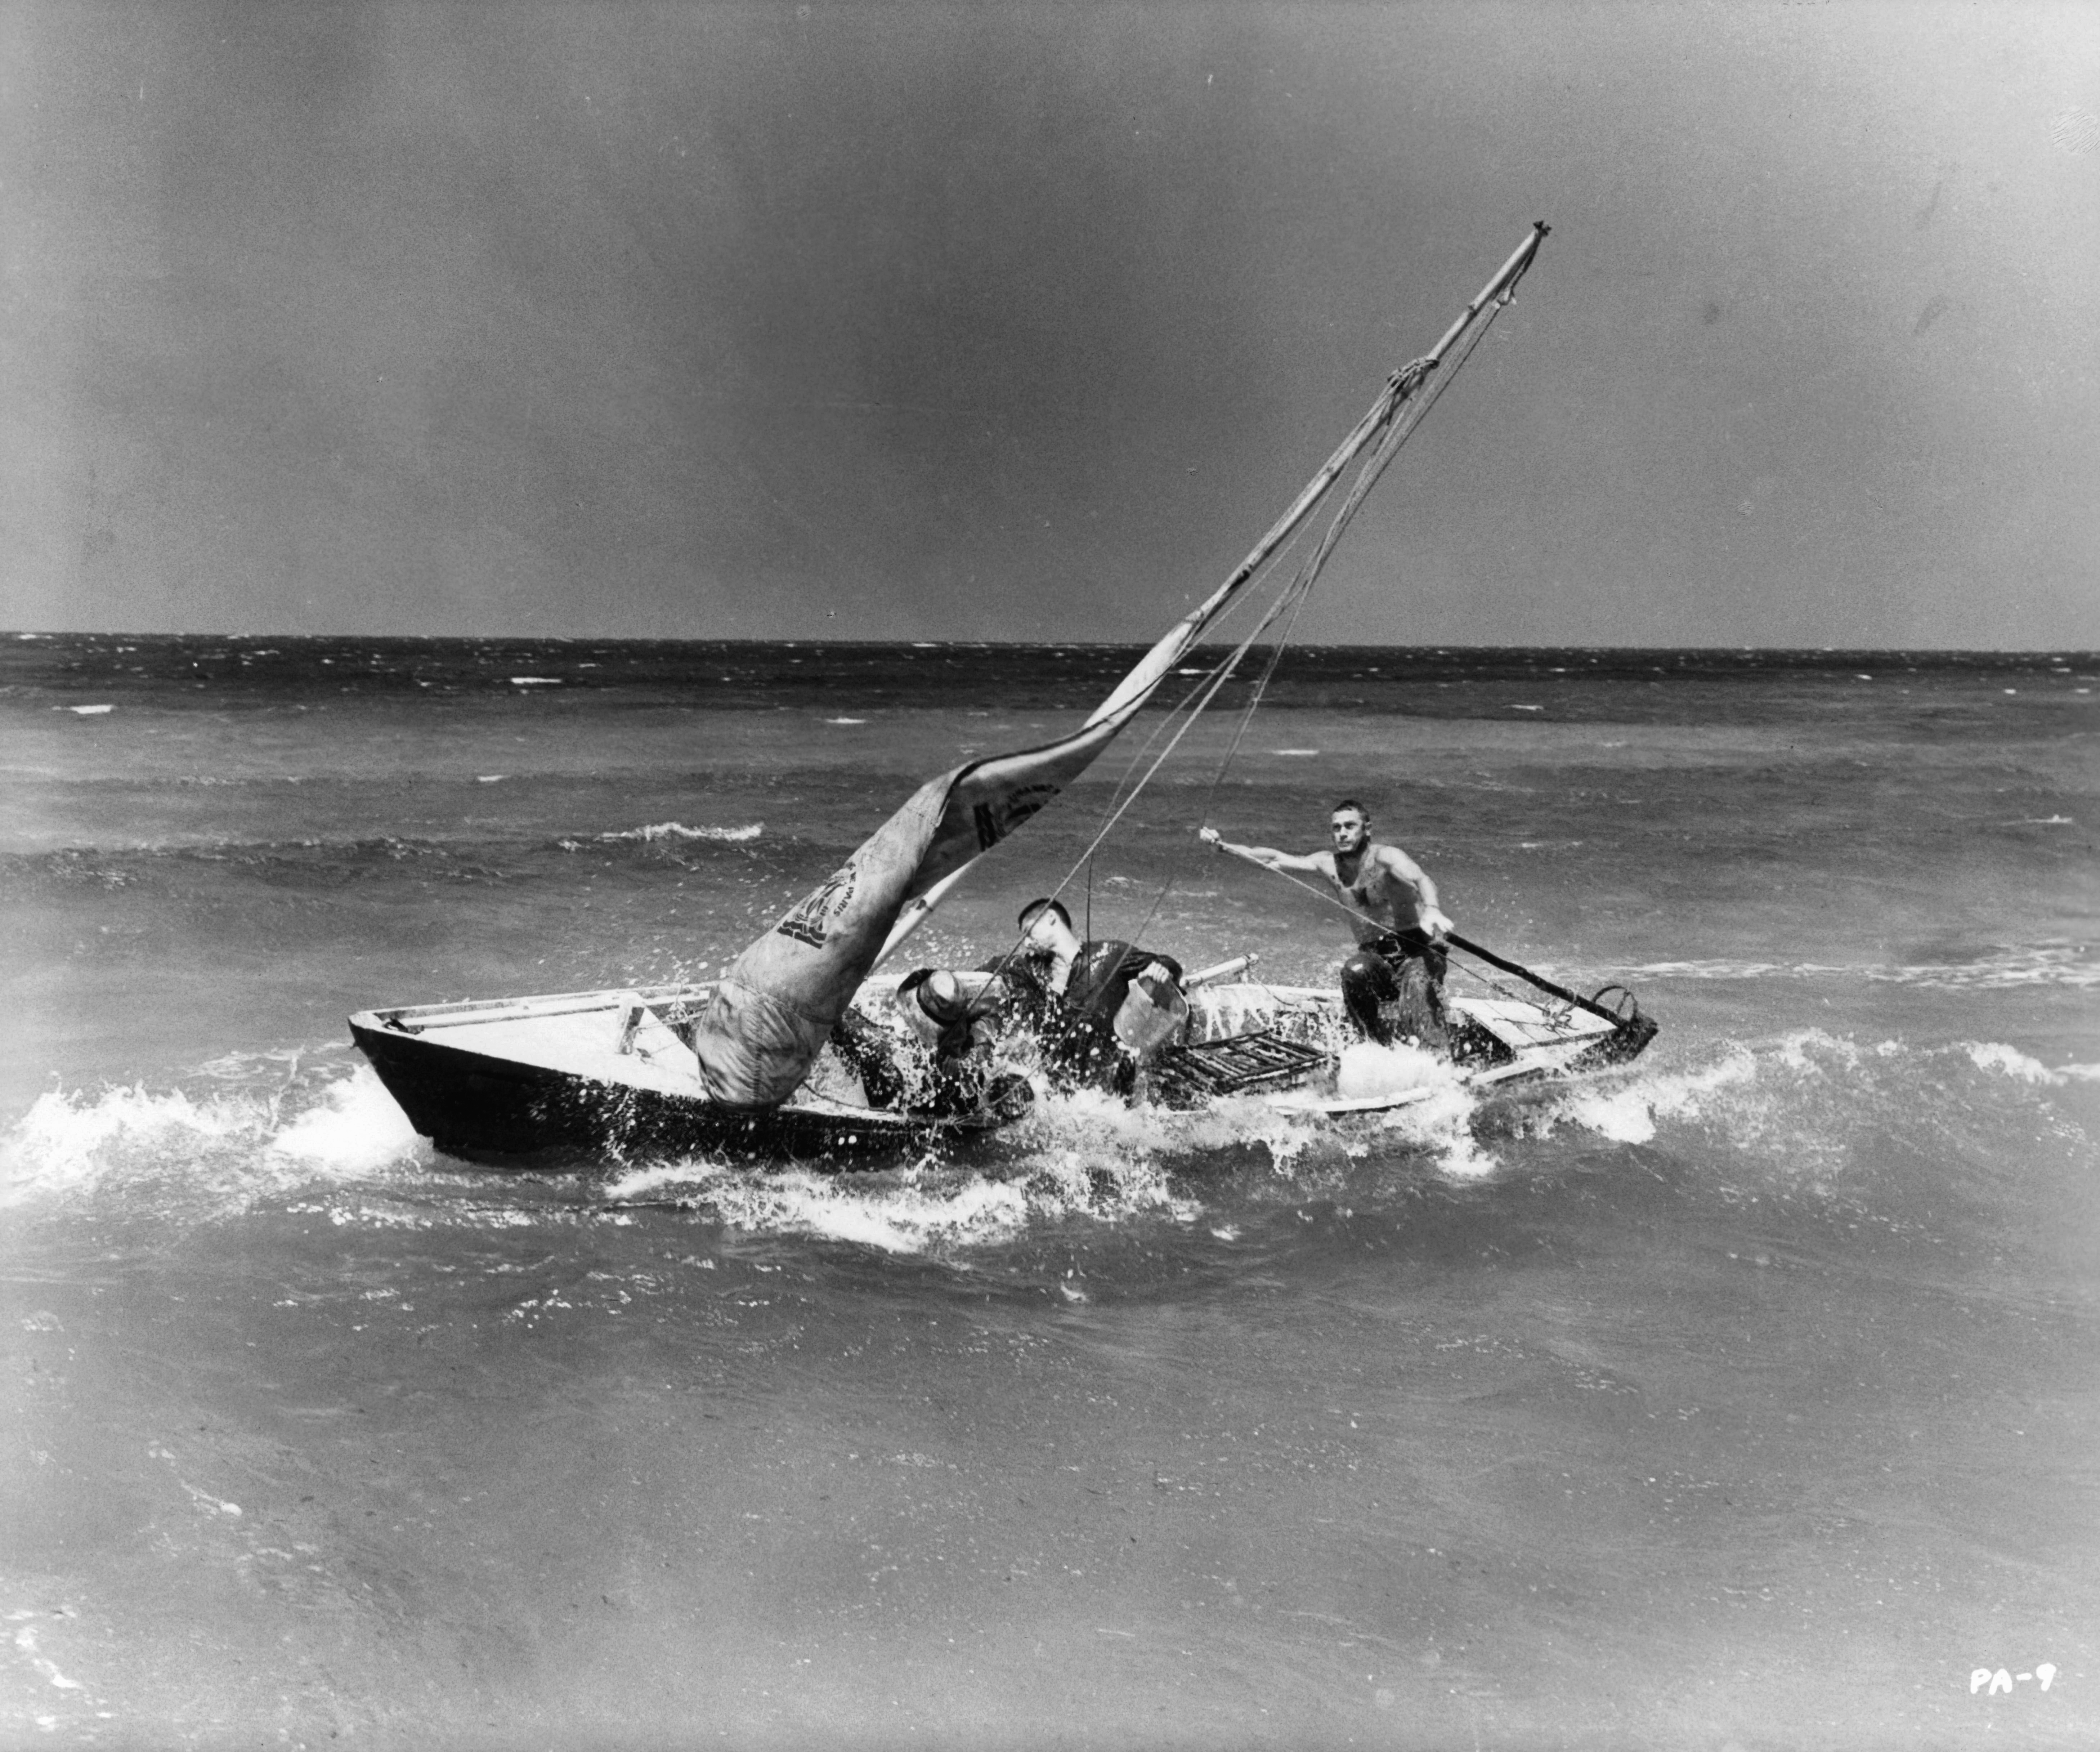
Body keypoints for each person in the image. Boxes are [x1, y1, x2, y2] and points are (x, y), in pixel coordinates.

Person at [1200, 799, 1454, 1051]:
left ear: (1367, 829)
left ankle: (1437, 1059)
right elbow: (1272, 859)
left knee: (1417, 985)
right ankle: (1373, 1049)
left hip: (1417, 952)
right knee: (1354, 972)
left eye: (1349, 826)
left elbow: (1421, 879)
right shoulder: (1327, 863)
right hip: (1375, 958)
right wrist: (1223, 846)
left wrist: (1432, 909)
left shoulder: (1386, 858)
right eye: (1336, 828)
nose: (1342, 833)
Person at [1001, 897, 1186, 1095]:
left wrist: (1162, 970)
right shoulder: (1031, 969)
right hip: (1058, 1090)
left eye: (1029, 932)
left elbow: (1167, 964)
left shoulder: (1111, 954)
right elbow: (990, 971)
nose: (1027, 943)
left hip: (1110, 1091)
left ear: (1051, 918)